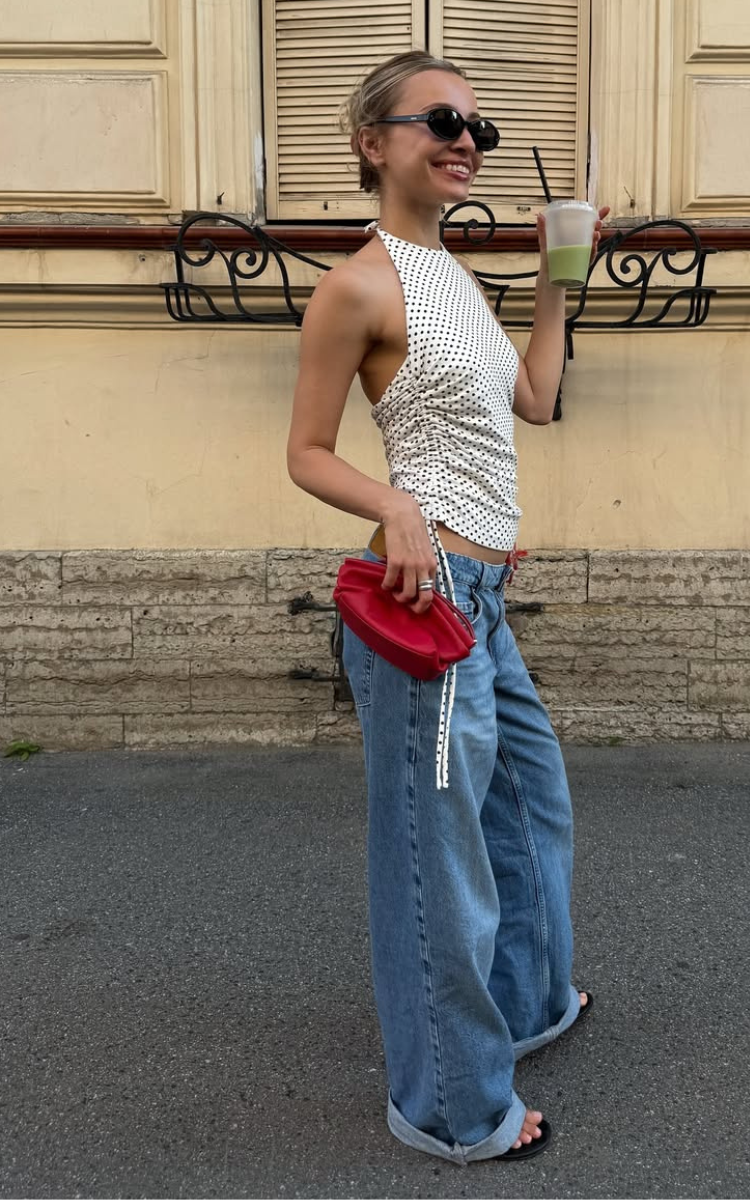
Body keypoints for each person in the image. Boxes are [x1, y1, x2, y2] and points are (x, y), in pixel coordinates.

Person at [286, 49, 608, 1165]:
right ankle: (454, 1107)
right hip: (421, 601)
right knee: (438, 859)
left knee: (530, 807)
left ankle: (524, 1005)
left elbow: (536, 400)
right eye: (439, 120)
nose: (465, 139)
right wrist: (394, 506)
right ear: (373, 143)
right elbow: (307, 452)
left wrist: (556, 275)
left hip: (486, 599)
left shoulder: (457, 279)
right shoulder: (358, 286)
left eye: (478, 124)